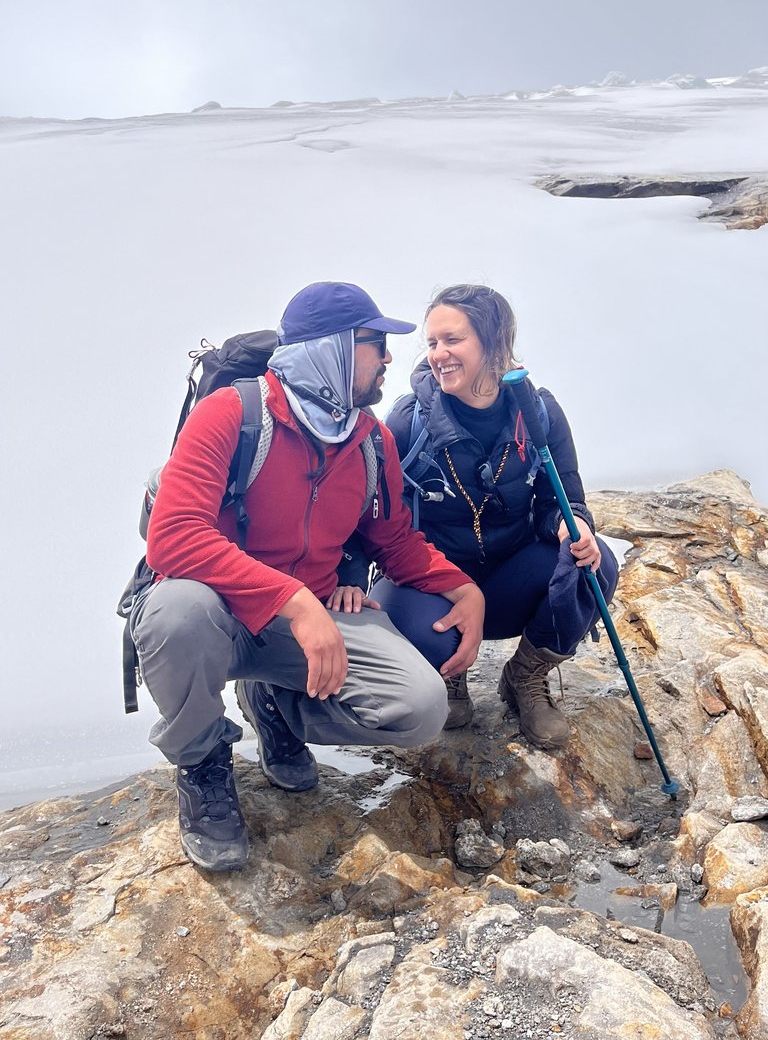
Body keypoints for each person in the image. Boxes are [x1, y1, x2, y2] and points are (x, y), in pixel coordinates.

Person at [131, 281, 485, 872]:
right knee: (178, 612)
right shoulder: (231, 414)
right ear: (334, 349)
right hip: (223, 617)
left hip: (310, 619)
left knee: (421, 709)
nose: (392, 359)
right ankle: (201, 765)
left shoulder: (369, 439)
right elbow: (173, 538)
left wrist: (462, 587)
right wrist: (294, 601)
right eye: (376, 343)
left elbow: (392, 537)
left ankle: (273, 703)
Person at [370, 283, 619, 748]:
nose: (438, 354)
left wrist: (570, 524)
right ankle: (447, 673)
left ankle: (525, 677)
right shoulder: (408, 422)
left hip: (509, 580)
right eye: (431, 342)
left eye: (452, 340)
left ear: (494, 341)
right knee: (406, 621)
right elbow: (383, 524)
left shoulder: (537, 413)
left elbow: (561, 498)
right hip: (433, 585)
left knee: (594, 563)